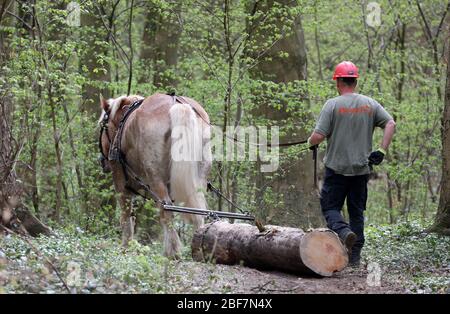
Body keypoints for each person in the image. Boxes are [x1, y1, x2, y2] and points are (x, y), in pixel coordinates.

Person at [307, 61, 396, 266]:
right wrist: (381, 150)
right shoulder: (370, 104)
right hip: (361, 169)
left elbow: (318, 136)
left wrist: (310, 142)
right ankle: (355, 259)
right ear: (355, 81)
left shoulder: (332, 105)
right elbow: (390, 123)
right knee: (357, 212)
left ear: (338, 82)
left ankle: (344, 232)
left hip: (336, 169)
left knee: (330, 207)